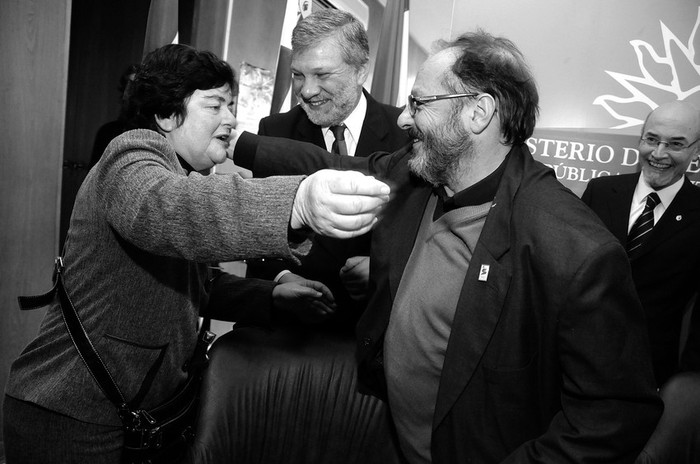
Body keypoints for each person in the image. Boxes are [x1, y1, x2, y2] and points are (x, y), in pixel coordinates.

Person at [231, 30, 663, 463]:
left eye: (419, 104)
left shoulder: (574, 250)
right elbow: (333, 167)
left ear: (478, 112)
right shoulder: (414, 177)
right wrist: (237, 144)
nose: (402, 119)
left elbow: (614, 418)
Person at [2, 44, 390, 464]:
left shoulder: (176, 170)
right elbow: (169, 209)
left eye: (231, 105)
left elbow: (191, 283)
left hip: (134, 418)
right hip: (71, 413)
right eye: (215, 105)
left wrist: (271, 297)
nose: (230, 119)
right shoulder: (129, 155)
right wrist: (295, 202)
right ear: (168, 115)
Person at [247, 8, 410, 328]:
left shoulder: (405, 134)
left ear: (361, 71)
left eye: (321, 75)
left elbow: (423, 236)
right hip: (288, 330)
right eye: (298, 74)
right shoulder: (273, 132)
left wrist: (384, 268)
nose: (306, 91)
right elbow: (256, 231)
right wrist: (282, 277)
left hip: (371, 333)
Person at [581, 100, 700, 463]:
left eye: (676, 144)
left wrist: (682, 385)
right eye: (652, 139)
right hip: (576, 360)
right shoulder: (601, 191)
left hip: (647, 380)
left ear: (696, 151)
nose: (659, 153)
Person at [90, 64, 138, 167]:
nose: (127, 94)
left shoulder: (159, 137)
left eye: (133, 88)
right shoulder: (107, 132)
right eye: (126, 87)